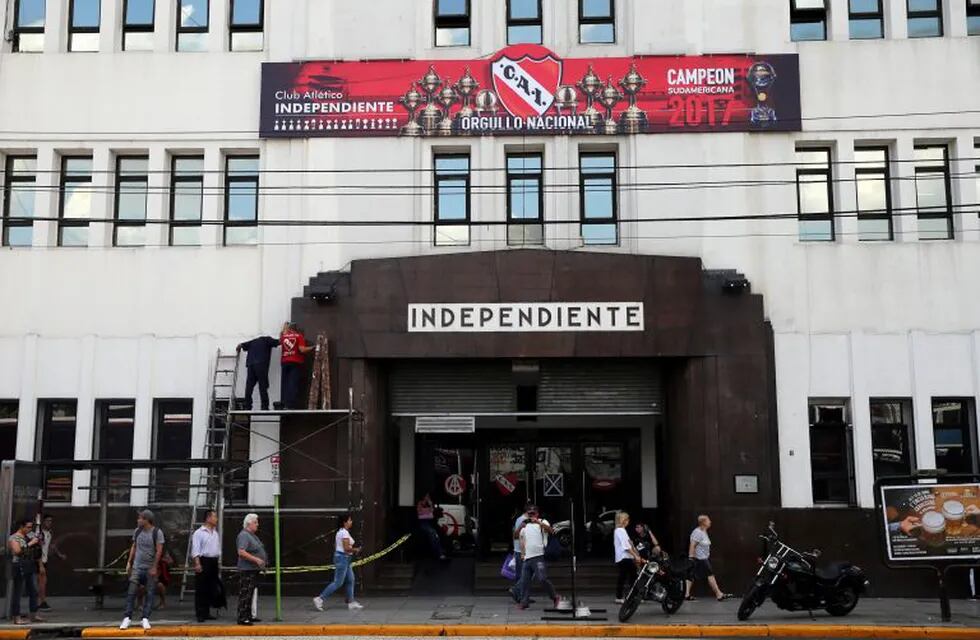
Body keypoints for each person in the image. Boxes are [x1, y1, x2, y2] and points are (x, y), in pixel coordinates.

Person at [120, 510, 164, 630]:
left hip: (150, 568)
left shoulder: (157, 532)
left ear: (146, 520)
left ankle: (145, 618)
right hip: (137, 567)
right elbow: (134, 546)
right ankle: (127, 617)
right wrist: (129, 562)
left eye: (140, 518)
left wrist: (154, 566)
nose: (138, 520)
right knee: (131, 592)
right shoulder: (137, 531)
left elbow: (159, 550)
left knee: (149, 594)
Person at [312, 513, 364, 611]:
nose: (351, 522)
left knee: (350, 580)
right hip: (343, 558)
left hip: (343, 558)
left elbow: (336, 546)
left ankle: (351, 602)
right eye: (349, 520)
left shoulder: (340, 532)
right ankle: (320, 599)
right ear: (345, 522)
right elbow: (346, 548)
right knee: (338, 582)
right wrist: (356, 549)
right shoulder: (344, 533)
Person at [515, 507, 560, 610]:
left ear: (537, 514)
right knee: (525, 581)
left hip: (538, 556)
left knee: (542, 578)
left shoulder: (542, 522)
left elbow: (551, 531)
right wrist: (519, 528)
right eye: (529, 514)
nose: (531, 516)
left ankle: (555, 596)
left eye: (533, 514)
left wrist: (539, 523)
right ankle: (524, 602)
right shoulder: (525, 526)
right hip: (527, 558)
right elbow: (516, 536)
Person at [685, 514, 733, 602]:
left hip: (701, 558)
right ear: (703, 522)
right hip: (700, 559)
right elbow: (692, 545)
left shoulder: (703, 531)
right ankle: (719, 594)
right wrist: (691, 558)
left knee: (690, 576)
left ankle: (686, 594)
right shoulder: (698, 532)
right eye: (708, 520)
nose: (710, 522)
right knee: (710, 575)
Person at [7, 518, 43, 625]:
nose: (29, 529)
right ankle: (16, 617)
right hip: (19, 565)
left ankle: (33, 614)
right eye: (27, 527)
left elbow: (37, 549)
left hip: (30, 564)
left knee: (33, 590)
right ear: (21, 527)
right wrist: (30, 543)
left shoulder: (30, 535)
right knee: (18, 592)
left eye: (31, 527)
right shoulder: (14, 537)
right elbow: (17, 551)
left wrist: (38, 542)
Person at [236, 513, 268, 626]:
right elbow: (241, 552)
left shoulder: (252, 535)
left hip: (253, 570)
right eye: (255, 522)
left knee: (250, 594)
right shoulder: (244, 535)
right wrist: (256, 560)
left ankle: (248, 615)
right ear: (249, 523)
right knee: (245, 593)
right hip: (247, 569)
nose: (257, 524)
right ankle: (242, 617)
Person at [192, 509, 223, 622]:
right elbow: (196, 549)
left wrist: (218, 561)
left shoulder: (215, 533)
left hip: (213, 561)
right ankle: (200, 613)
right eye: (214, 517)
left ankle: (206, 612)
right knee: (201, 588)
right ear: (208, 518)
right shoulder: (198, 533)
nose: (216, 519)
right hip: (203, 560)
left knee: (211, 587)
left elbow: (217, 548)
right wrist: (197, 563)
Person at [237, 335, 280, 410]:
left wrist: (238, 347)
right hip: (261, 364)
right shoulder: (267, 339)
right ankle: (264, 406)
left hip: (251, 364)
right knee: (263, 386)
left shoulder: (253, 342)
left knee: (249, 386)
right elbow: (279, 342)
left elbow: (241, 345)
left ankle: (248, 406)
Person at [278, 322, 314, 409]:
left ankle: (284, 404)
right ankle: (291, 405)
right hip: (295, 362)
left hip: (285, 362)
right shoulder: (299, 336)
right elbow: (302, 350)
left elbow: (280, 338)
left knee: (285, 384)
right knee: (293, 383)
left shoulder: (283, 337)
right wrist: (313, 347)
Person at [36, 513, 66, 611]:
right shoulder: (40, 534)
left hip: (45, 560)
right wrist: (40, 564)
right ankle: (41, 602)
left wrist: (59, 554)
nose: (49, 523)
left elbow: (51, 546)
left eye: (50, 521)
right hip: (39, 561)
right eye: (47, 521)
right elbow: (38, 549)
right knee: (41, 582)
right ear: (43, 522)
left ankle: (41, 602)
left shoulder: (49, 533)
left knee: (43, 582)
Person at [614, 511, 645, 604]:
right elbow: (626, 546)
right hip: (624, 557)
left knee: (626, 577)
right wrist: (635, 555)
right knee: (632, 576)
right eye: (627, 519)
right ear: (623, 520)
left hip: (624, 557)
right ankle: (627, 596)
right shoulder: (620, 530)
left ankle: (623, 596)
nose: (628, 521)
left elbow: (629, 543)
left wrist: (635, 553)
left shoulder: (621, 530)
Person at [509, 502, 534, 602]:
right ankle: (517, 591)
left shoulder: (521, 519)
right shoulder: (522, 520)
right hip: (522, 551)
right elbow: (517, 535)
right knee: (527, 574)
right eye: (533, 511)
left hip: (520, 550)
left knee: (522, 575)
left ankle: (522, 597)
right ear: (528, 511)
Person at [416, 493, 446, 560]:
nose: (428, 497)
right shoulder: (420, 503)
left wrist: (429, 506)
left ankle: (439, 552)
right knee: (432, 533)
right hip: (423, 523)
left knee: (435, 536)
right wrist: (428, 511)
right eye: (427, 496)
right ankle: (438, 553)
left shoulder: (429, 504)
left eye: (428, 496)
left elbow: (431, 513)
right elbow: (419, 513)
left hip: (429, 523)